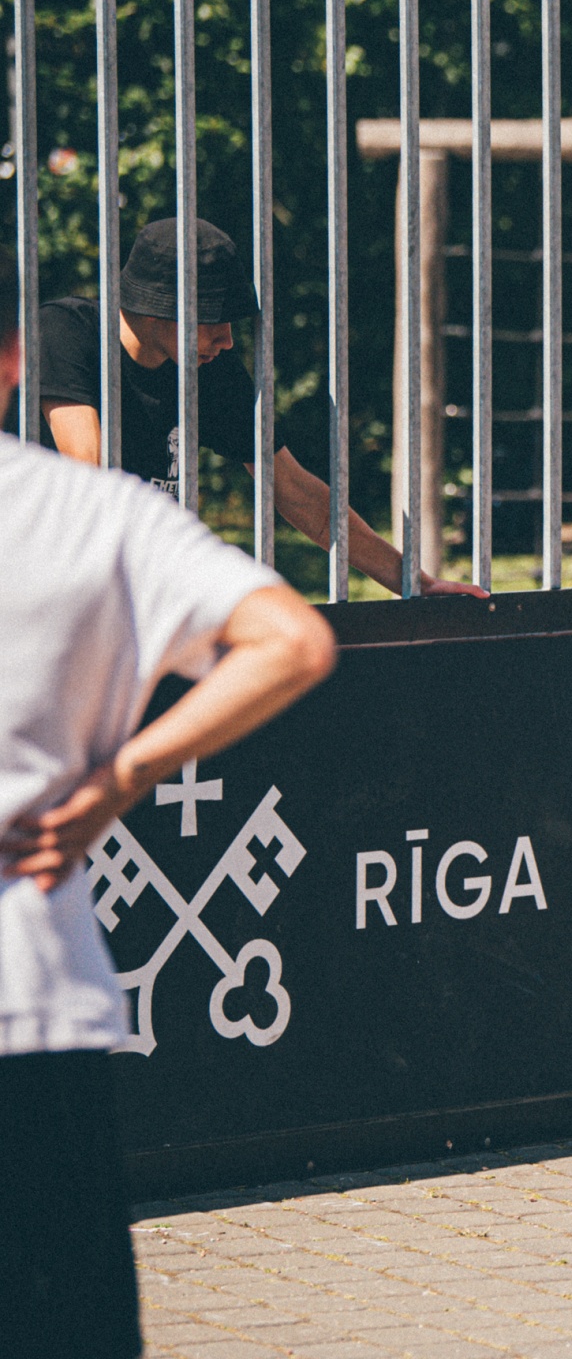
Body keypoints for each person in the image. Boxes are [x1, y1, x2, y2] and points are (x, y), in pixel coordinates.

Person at [0, 255, 339, 1358]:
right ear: (15, 360)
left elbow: (297, 491)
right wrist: (121, 777)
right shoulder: (87, 516)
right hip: (28, 1004)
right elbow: (293, 642)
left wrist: (404, 574)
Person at [38, 218, 485, 598]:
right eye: (214, 320)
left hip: (140, 584)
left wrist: (414, 582)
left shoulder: (207, 368)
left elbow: (294, 490)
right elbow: (92, 476)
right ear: (158, 310)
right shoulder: (66, 333)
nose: (228, 340)